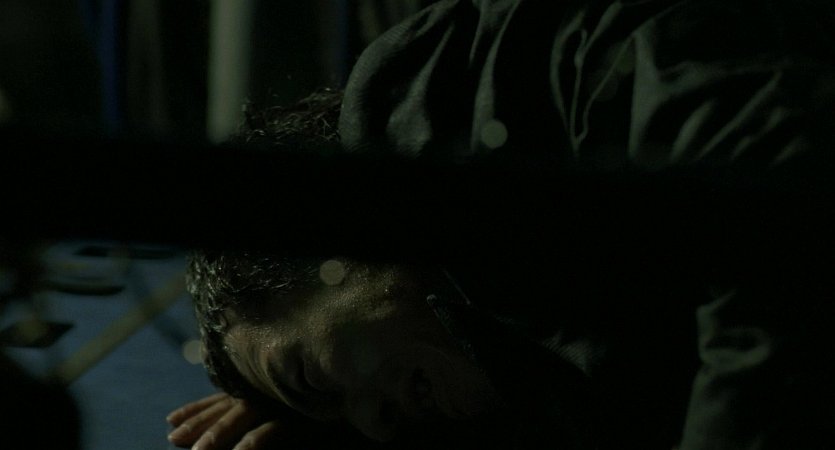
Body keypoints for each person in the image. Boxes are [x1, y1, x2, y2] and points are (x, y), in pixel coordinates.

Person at [169, 0, 835, 448]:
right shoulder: (485, 335)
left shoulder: (496, 92)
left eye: (311, 378)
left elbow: (779, 202)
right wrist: (319, 425)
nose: (376, 424)